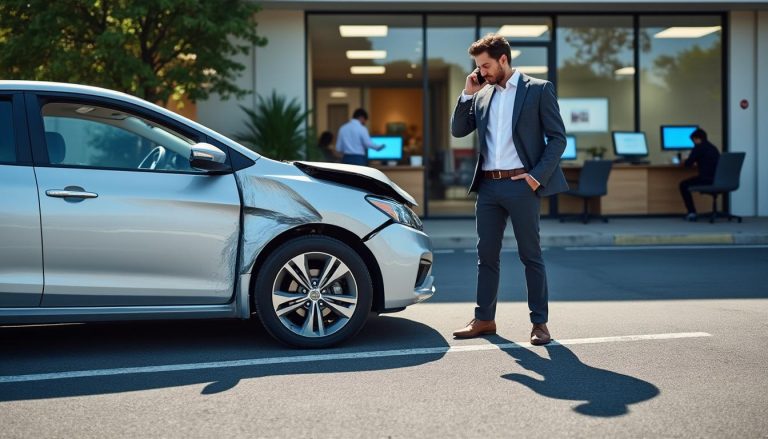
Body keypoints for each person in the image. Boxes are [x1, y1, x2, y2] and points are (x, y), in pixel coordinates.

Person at [450, 34, 569, 346]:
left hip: (521, 185)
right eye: (479, 67)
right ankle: (484, 319)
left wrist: (536, 177)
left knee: (531, 255)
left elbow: (558, 139)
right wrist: (467, 94)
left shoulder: (538, 89)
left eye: (486, 65)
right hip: (488, 186)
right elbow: (458, 130)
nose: (482, 72)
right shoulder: (481, 94)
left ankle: (539, 323)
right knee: (486, 256)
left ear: (503, 59)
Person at [679, 128, 720, 222]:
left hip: (706, 179)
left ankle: (692, 212)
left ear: (697, 139)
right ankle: (692, 212)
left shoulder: (698, 147)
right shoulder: (713, 147)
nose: (693, 143)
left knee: (683, 185)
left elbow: (688, 164)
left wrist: (683, 161)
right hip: (717, 179)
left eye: (693, 141)